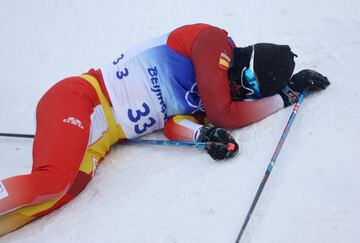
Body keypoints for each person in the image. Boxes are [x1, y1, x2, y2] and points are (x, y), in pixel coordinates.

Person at [0, 23, 330, 236]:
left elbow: (175, 126)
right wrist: (283, 98)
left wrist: (203, 136)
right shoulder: (213, 42)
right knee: (53, 179)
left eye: (249, 92)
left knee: (62, 191)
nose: (240, 90)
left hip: (100, 139)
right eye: (247, 81)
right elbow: (224, 113)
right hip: (83, 98)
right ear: (247, 59)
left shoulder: (209, 97)